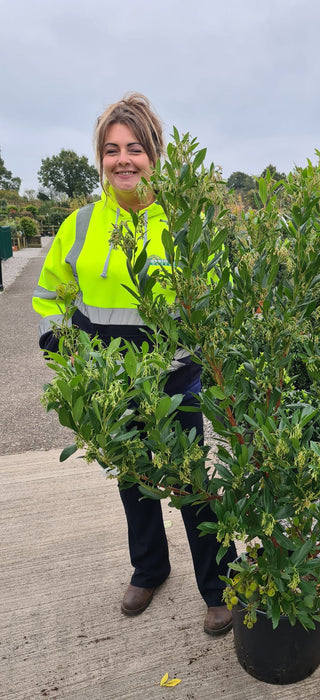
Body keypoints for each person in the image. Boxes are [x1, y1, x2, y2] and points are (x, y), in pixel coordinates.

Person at [32, 92, 237, 636]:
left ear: (155, 155)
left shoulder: (183, 224)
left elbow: (212, 303)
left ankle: (220, 586)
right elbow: (53, 294)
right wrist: (61, 344)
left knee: (194, 485)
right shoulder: (78, 227)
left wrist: (177, 362)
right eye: (111, 149)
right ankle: (149, 568)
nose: (123, 159)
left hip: (175, 383)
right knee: (135, 481)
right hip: (110, 386)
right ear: (100, 158)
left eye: (135, 148)